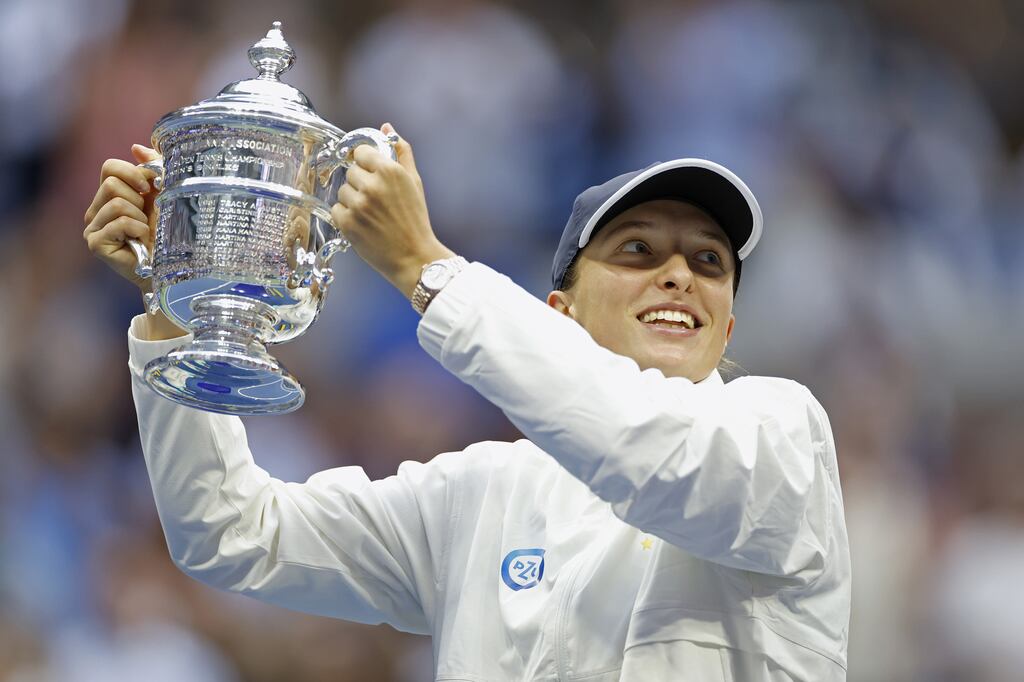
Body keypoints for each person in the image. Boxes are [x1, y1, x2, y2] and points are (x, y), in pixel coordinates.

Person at [83, 125, 851, 681]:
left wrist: (427, 268)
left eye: (709, 261)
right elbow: (232, 531)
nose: (681, 274)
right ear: (560, 314)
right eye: (639, 251)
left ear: (727, 326)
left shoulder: (784, 435)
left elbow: (656, 456)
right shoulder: (479, 493)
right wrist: (180, 309)